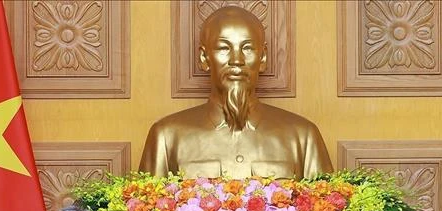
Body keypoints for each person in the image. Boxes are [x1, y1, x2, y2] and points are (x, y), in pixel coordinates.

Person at [139, 6, 332, 180]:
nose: (237, 60)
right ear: (204, 57)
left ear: (262, 57)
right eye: (224, 48)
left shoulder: (303, 136)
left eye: (247, 48)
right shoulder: (166, 136)